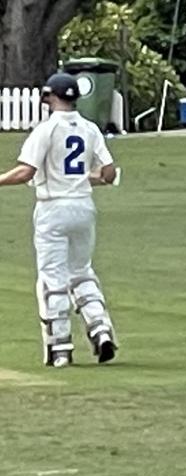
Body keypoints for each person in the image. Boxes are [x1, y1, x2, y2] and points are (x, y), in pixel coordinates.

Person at [0, 72, 119, 367]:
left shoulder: (47, 130)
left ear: (50, 97)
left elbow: (26, 171)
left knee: (52, 279)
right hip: (83, 207)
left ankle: (60, 348)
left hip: (53, 209)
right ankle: (101, 329)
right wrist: (80, 178)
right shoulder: (90, 129)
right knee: (81, 272)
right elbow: (109, 173)